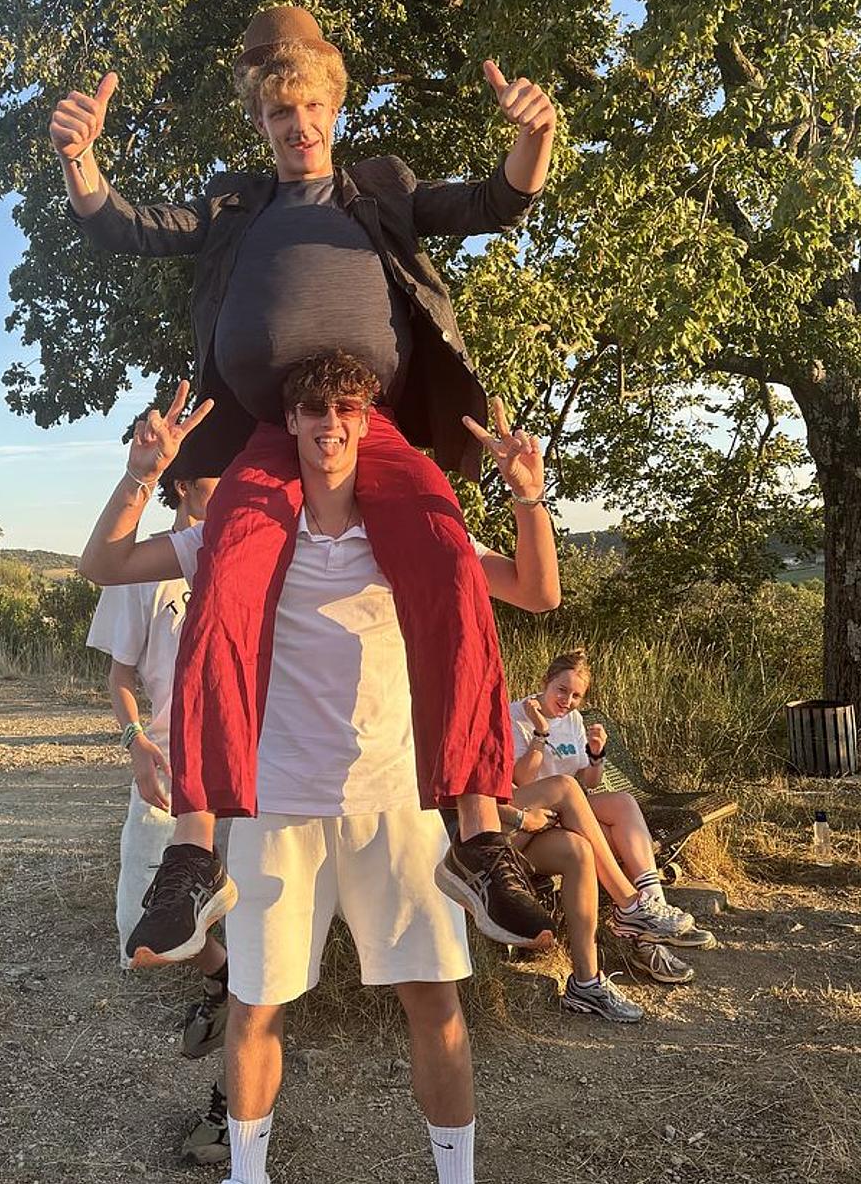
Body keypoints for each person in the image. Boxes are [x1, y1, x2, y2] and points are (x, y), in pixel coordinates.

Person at [51, 4, 557, 953]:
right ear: (261, 120)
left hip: (375, 431)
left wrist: (535, 137)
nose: (299, 124)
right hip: (270, 437)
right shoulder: (234, 208)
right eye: (281, 111)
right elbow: (129, 227)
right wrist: (82, 162)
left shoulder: (382, 192)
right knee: (224, 587)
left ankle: (479, 838)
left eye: (313, 106)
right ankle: (194, 853)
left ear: (334, 107)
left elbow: (493, 203)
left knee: (450, 566)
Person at [80, 350, 563, 1184]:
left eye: (347, 409)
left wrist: (528, 496)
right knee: (255, 1006)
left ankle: (456, 1177)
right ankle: (248, 1175)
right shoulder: (241, 531)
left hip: (395, 800)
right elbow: (107, 566)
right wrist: (140, 475)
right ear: (291, 424)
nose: (329, 424)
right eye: (313, 410)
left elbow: (534, 590)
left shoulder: (418, 529)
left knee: (436, 1003)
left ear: (368, 422)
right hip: (278, 804)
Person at [85, 469, 230, 1165]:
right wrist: (135, 741)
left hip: (254, 769)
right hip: (171, 766)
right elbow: (119, 676)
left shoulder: (252, 548)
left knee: (264, 938)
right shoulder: (145, 568)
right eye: (213, 472)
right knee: (139, 927)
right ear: (182, 485)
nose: (228, 480)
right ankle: (222, 977)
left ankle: (231, 1108)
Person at [509, 649, 716, 987]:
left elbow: (589, 782)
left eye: (576, 696)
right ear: (545, 682)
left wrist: (596, 755)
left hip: (567, 811)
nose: (568, 701)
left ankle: (649, 917)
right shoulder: (517, 715)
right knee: (596, 833)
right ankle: (644, 931)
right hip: (535, 818)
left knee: (622, 803)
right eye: (562, 690)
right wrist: (540, 733)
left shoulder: (573, 720)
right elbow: (523, 780)